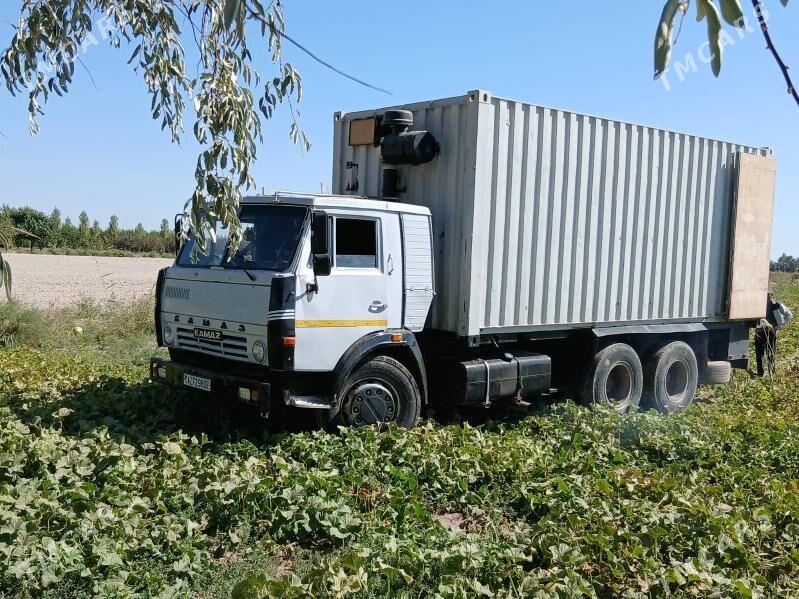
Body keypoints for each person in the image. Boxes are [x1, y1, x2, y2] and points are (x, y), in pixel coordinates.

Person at [754, 289, 793, 377]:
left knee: (771, 352)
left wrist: (779, 325)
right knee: (759, 353)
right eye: (765, 294)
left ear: (771, 295)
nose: (766, 296)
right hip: (759, 331)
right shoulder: (758, 305)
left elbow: (789, 314)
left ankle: (771, 371)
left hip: (771, 331)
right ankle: (760, 373)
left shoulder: (776, 305)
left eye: (768, 294)